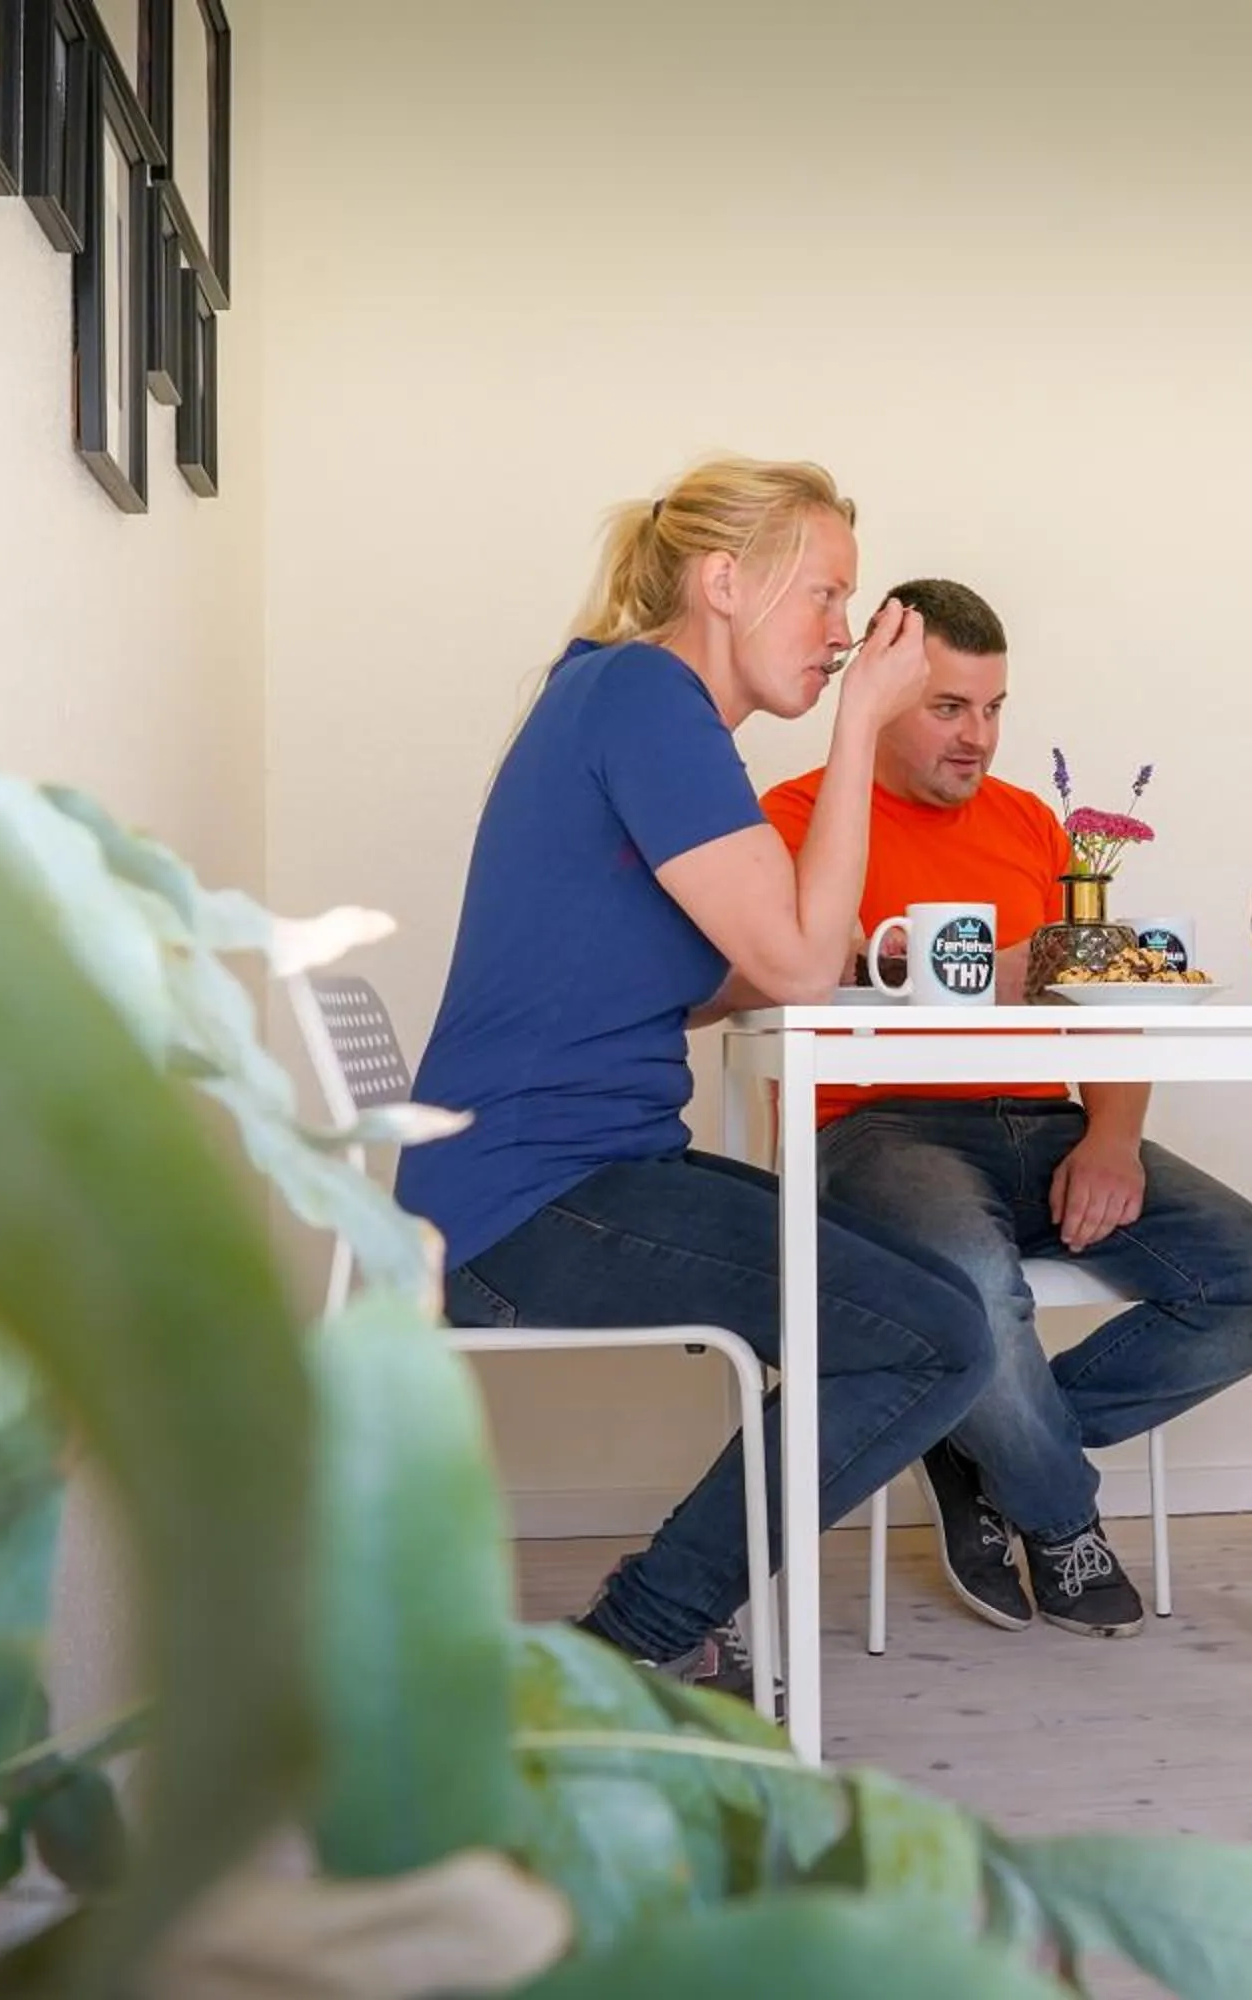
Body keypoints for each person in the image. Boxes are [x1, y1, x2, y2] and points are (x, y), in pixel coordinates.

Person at [397, 457, 996, 1700]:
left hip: (550, 1175)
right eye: (827, 597)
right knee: (937, 1331)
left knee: (916, 1304)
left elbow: (732, 975)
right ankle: (635, 1638)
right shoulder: (647, 699)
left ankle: (649, 1628)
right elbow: (796, 964)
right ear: (724, 581)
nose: (843, 636)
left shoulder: (627, 703)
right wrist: (857, 731)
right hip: (530, 1198)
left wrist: (803, 953)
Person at [760, 579, 1252, 1640]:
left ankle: (971, 1431)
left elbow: (1105, 1002)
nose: (980, 737)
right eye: (950, 707)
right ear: (881, 697)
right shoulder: (794, 820)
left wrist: (1112, 1135)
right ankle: (1058, 1515)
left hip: (1043, 1120)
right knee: (977, 1292)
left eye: (995, 707)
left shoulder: (1028, 823)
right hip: (880, 1130)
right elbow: (779, 982)